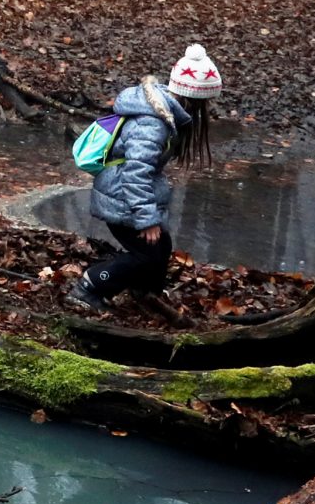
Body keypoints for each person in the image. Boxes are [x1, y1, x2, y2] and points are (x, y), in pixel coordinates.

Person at [67, 44, 223, 308]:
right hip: (121, 195)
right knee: (145, 255)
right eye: (205, 102)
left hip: (124, 192)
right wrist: (146, 220)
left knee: (161, 247)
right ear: (194, 97)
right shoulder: (152, 124)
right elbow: (135, 173)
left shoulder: (162, 113)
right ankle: (91, 284)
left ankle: (145, 291)